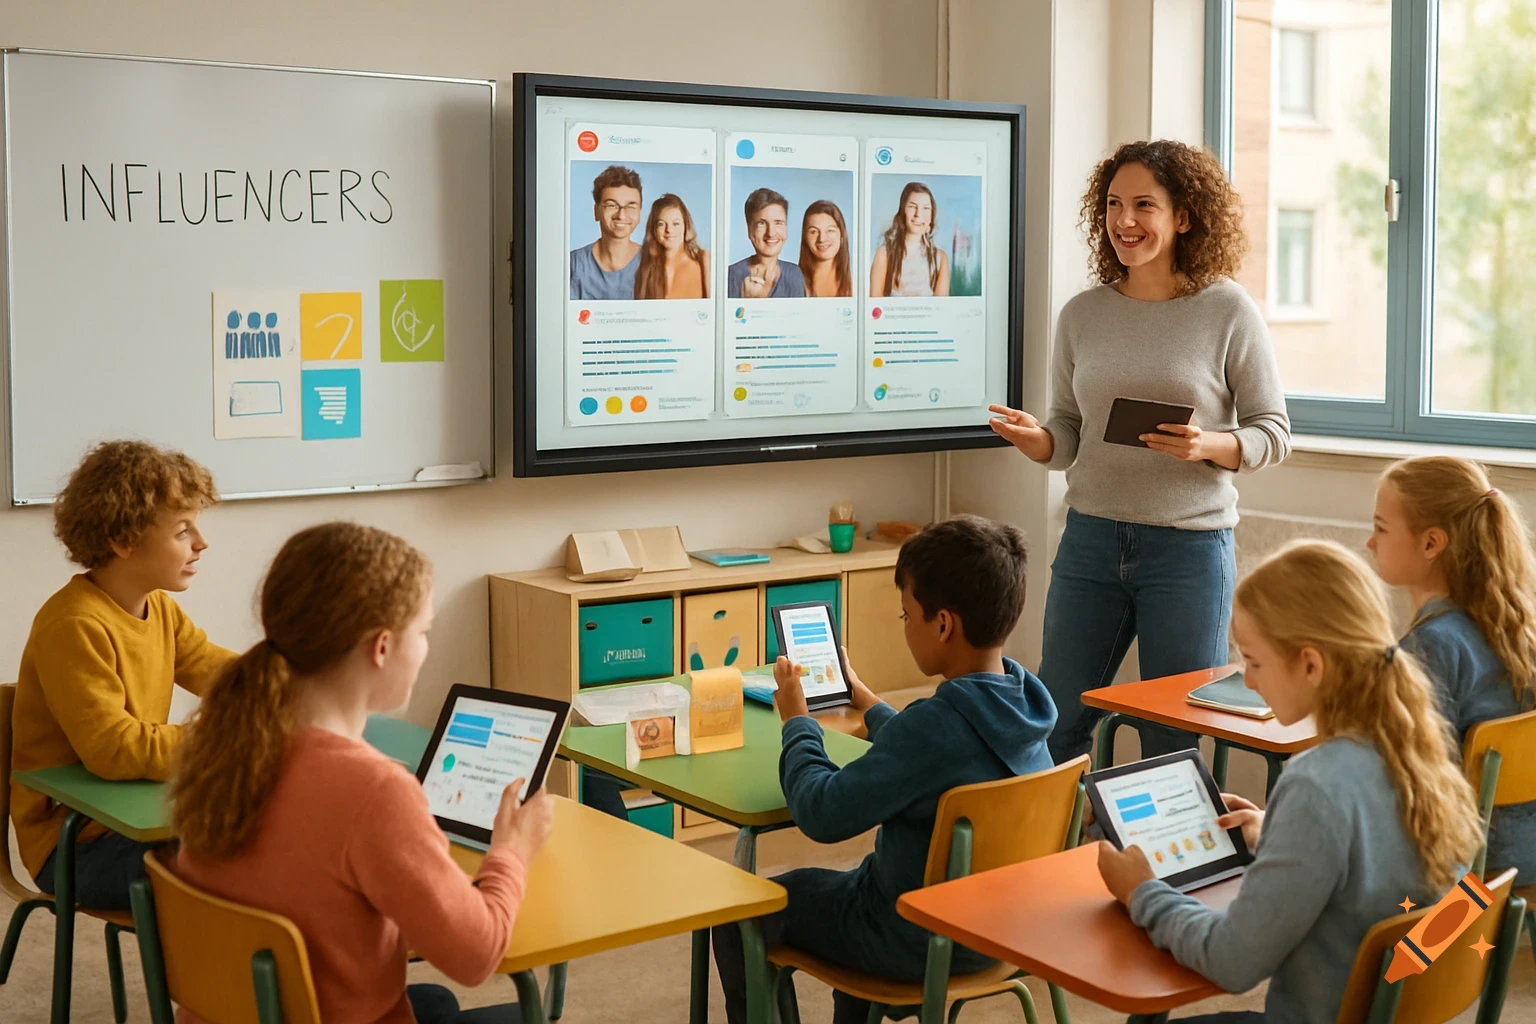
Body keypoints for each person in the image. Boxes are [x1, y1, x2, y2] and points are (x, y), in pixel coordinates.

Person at [170, 522, 552, 1024]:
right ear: (382, 647)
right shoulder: (376, 791)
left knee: (433, 1003)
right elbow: (476, 955)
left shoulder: (225, 746)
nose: (425, 647)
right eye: (423, 632)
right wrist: (511, 851)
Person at [989, 139, 1291, 764]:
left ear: (1183, 215)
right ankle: (1050, 857)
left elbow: (1273, 431)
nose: (1125, 221)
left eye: (1144, 205)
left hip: (1189, 549)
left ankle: (1165, 864)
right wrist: (1036, 440)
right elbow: (1069, 433)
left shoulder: (1228, 310)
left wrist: (1210, 444)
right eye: (1113, 204)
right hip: (1091, 540)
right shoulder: (1081, 315)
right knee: (1055, 720)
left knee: (1171, 737)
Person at [1097, 540, 1483, 1024]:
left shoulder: (1316, 786)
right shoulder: (1426, 755)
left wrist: (1142, 892)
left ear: (1311, 664)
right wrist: (1275, 833)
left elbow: (1232, 962)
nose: (1250, 682)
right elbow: (1368, 859)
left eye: (1254, 663)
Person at [711, 515, 1055, 1024]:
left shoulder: (934, 727)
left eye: (905, 615)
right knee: (848, 890)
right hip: (1000, 933)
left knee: (741, 912)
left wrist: (798, 722)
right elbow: (940, 750)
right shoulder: (1023, 703)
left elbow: (822, 813)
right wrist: (867, 701)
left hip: (913, 935)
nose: (905, 627)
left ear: (942, 624)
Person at [10, 440, 234, 910]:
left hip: (131, 819)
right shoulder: (74, 626)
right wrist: (222, 740)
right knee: (242, 859)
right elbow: (114, 750)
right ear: (124, 540)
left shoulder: (161, 611)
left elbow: (222, 672)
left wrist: (295, 684)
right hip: (74, 847)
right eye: (182, 531)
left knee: (278, 834)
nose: (202, 543)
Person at [1367, 455, 1536, 881]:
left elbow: (1413, 790)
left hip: (1470, 870)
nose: (1371, 543)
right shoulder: (1516, 625)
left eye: (1381, 528)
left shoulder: (1428, 649)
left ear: (1431, 544)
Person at [569, 164, 643, 300]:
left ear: (639, 213)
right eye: (611, 205)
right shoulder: (572, 265)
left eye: (630, 206)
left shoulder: (655, 263)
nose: (621, 215)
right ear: (596, 211)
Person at [869, 182, 949, 298]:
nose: (918, 214)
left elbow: (942, 308)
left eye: (926, 208)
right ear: (902, 211)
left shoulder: (941, 259)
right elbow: (875, 304)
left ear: (932, 215)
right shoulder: (884, 254)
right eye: (912, 206)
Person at [727, 187, 806, 299]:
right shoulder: (731, 275)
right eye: (761, 223)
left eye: (778, 223)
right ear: (749, 229)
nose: (771, 233)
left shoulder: (794, 274)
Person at [633, 193, 709, 300]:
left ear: (685, 226)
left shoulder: (703, 260)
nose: (669, 230)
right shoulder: (645, 269)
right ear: (653, 229)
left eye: (676, 223)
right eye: (661, 224)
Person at [798, 199, 852, 298]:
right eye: (814, 232)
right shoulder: (793, 282)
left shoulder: (857, 284)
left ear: (842, 236)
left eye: (830, 230)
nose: (822, 239)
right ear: (805, 237)